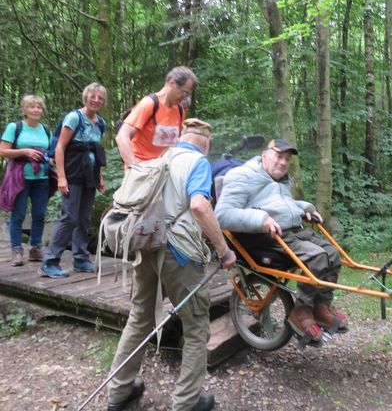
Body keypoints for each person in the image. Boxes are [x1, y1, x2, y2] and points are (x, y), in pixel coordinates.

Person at [106, 119, 236, 411]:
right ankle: (186, 403)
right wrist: (224, 250)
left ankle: (119, 391)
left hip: (147, 245)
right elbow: (200, 206)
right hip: (180, 254)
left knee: (140, 317)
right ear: (208, 143)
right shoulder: (198, 162)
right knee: (196, 326)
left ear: (181, 138)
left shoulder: (160, 158)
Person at [215, 138, 347, 344]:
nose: (284, 162)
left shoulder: (279, 180)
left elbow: (282, 204)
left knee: (332, 253)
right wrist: (261, 219)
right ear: (264, 155)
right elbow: (222, 215)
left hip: (293, 231)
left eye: (287, 158)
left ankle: (321, 306)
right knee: (318, 257)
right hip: (264, 237)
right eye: (279, 156)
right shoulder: (243, 176)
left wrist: (306, 208)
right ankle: (300, 312)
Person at [40, 83, 108, 278]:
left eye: (100, 98)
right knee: (69, 217)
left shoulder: (100, 122)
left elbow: (94, 151)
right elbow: (61, 147)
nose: (96, 100)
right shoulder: (74, 117)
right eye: (92, 96)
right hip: (72, 173)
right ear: (85, 97)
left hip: (89, 176)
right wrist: (61, 176)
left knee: (84, 217)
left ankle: (80, 259)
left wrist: (99, 176)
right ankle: (50, 261)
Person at [0, 95, 52, 266]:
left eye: (39, 107)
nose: (36, 110)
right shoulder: (15, 127)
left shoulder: (45, 130)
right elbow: (3, 151)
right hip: (19, 177)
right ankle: (16, 250)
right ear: (24, 110)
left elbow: (50, 154)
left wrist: (49, 160)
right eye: (32, 107)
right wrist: (25, 152)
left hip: (41, 178)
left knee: (39, 214)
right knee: (18, 214)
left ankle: (35, 249)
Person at [116, 66, 196, 167]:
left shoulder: (179, 111)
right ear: (172, 83)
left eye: (188, 95)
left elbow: (173, 144)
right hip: (143, 170)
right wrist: (135, 168)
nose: (185, 98)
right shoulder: (150, 104)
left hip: (164, 170)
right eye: (184, 92)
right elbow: (122, 136)